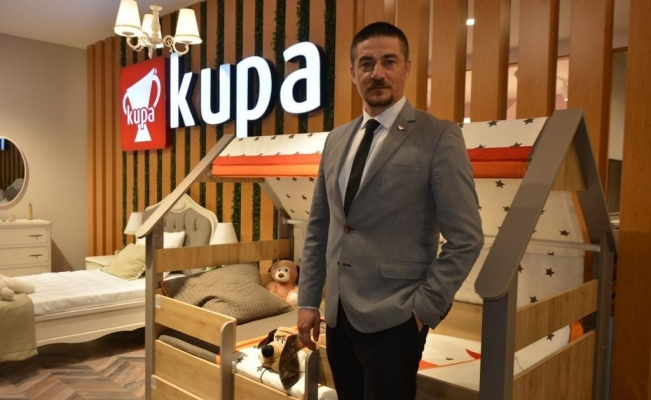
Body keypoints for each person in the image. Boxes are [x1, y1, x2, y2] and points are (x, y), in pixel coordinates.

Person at [296, 21, 484, 400]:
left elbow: (466, 238)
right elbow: (321, 226)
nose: (377, 73)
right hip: (338, 317)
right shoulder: (336, 140)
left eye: (389, 61)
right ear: (353, 73)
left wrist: (423, 309)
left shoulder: (438, 136)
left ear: (407, 68)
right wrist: (308, 300)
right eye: (366, 64)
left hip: (397, 318)